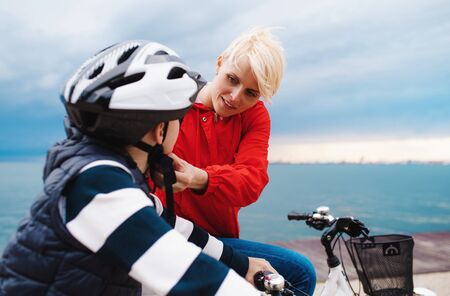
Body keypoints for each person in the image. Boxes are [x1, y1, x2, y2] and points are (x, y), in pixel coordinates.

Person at [0, 41, 273, 295]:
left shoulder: (111, 175)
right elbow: (182, 269)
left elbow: (174, 226)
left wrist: (242, 264)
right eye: (178, 118)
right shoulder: (98, 186)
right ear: (160, 130)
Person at [155, 28, 316, 295]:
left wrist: (200, 178)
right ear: (219, 63)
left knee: (298, 272)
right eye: (232, 79)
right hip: (166, 233)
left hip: (219, 238)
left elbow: (252, 180)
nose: (235, 97)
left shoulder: (254, 117)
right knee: (299, 272)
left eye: (251, 93)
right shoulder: (175, 103)